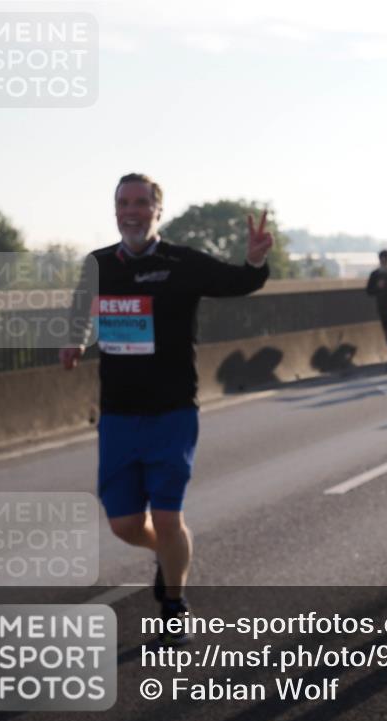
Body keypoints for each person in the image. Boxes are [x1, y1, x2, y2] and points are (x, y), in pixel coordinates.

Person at [61, 173, 272, 645]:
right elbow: (81, 308)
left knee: (170, 516)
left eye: (140, 203)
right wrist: (74, 340)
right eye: (123, 203)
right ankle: (167, 554)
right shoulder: (98, 264)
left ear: (158, 209)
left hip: (173, 412)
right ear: (115, 210)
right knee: (125, 524)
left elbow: (237, 282)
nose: (130, 211)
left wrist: (255, 259)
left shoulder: (182, 262)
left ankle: (173, 604)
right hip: (117, 414)